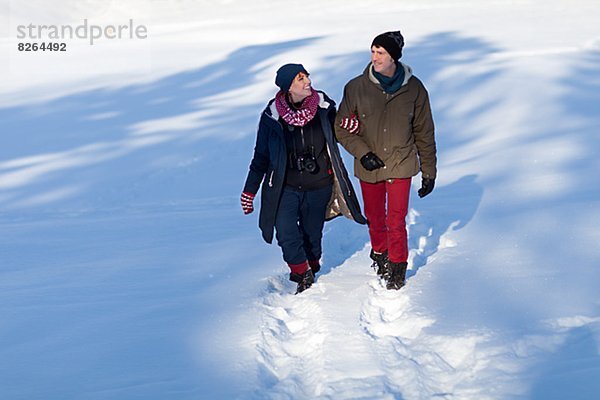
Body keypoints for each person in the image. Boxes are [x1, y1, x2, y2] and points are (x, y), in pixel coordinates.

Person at [241, 63, 366, 294]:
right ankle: (302, 272)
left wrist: (353, 126)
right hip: (284, 187)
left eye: (306, 76)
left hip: (319, 185)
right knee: (285, 232)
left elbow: (341, 131)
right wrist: (249, 191)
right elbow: (260, 157)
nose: (307, 81)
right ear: (288, 87)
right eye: (300, 78)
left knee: (312, 235)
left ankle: (311, 265)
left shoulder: (324, 109)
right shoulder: (271, 117)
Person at [335, 31, 437, 290]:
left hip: (401, 161)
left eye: (381, 52)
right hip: (369, 165)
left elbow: (424, 132)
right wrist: (362, 153)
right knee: (375, 216)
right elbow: (341, 127)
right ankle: (379, 253)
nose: (375, 57)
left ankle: (398, 265)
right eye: (373, 51)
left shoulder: (414, 89)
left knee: (396, 219)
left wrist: (429, 171)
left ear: (394, 57)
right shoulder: (356, 87)